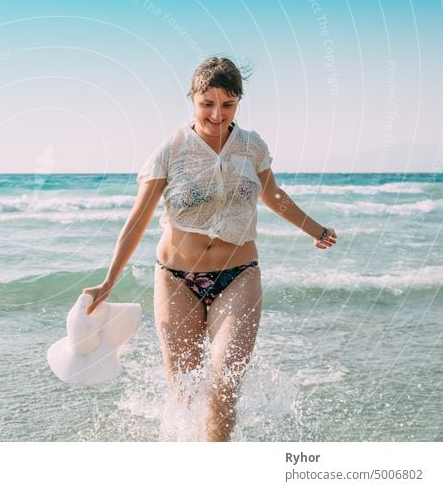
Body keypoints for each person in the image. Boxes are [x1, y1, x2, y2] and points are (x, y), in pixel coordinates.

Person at [82, 57, 337, 442]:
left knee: (224, 385)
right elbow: (137, 221)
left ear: (239, 102)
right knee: (183, 392)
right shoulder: (170, 149)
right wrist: (108, 281)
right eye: (207, 103)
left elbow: (274, 196)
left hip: (240, 275)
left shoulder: (252, 147)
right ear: (192, 99)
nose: (217, 114)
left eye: (228, 104)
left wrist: (316, 230)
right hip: (175, 279)